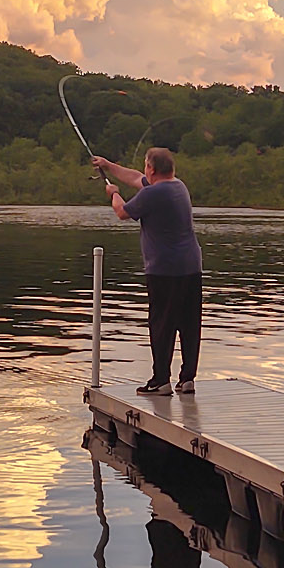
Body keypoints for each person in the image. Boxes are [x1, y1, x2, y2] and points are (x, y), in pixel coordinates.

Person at [95, 147, 202, 396]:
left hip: (164, 269)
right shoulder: (178, 186)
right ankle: (187, 380)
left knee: (161, 323)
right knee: (189, 323)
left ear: (152, 168)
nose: (143, 169)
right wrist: (108, 165)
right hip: (191, 266)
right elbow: (134, 178)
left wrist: (113, 193)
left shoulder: (154, 194)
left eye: (145, 165)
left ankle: (160, 380)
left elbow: (122, 212)